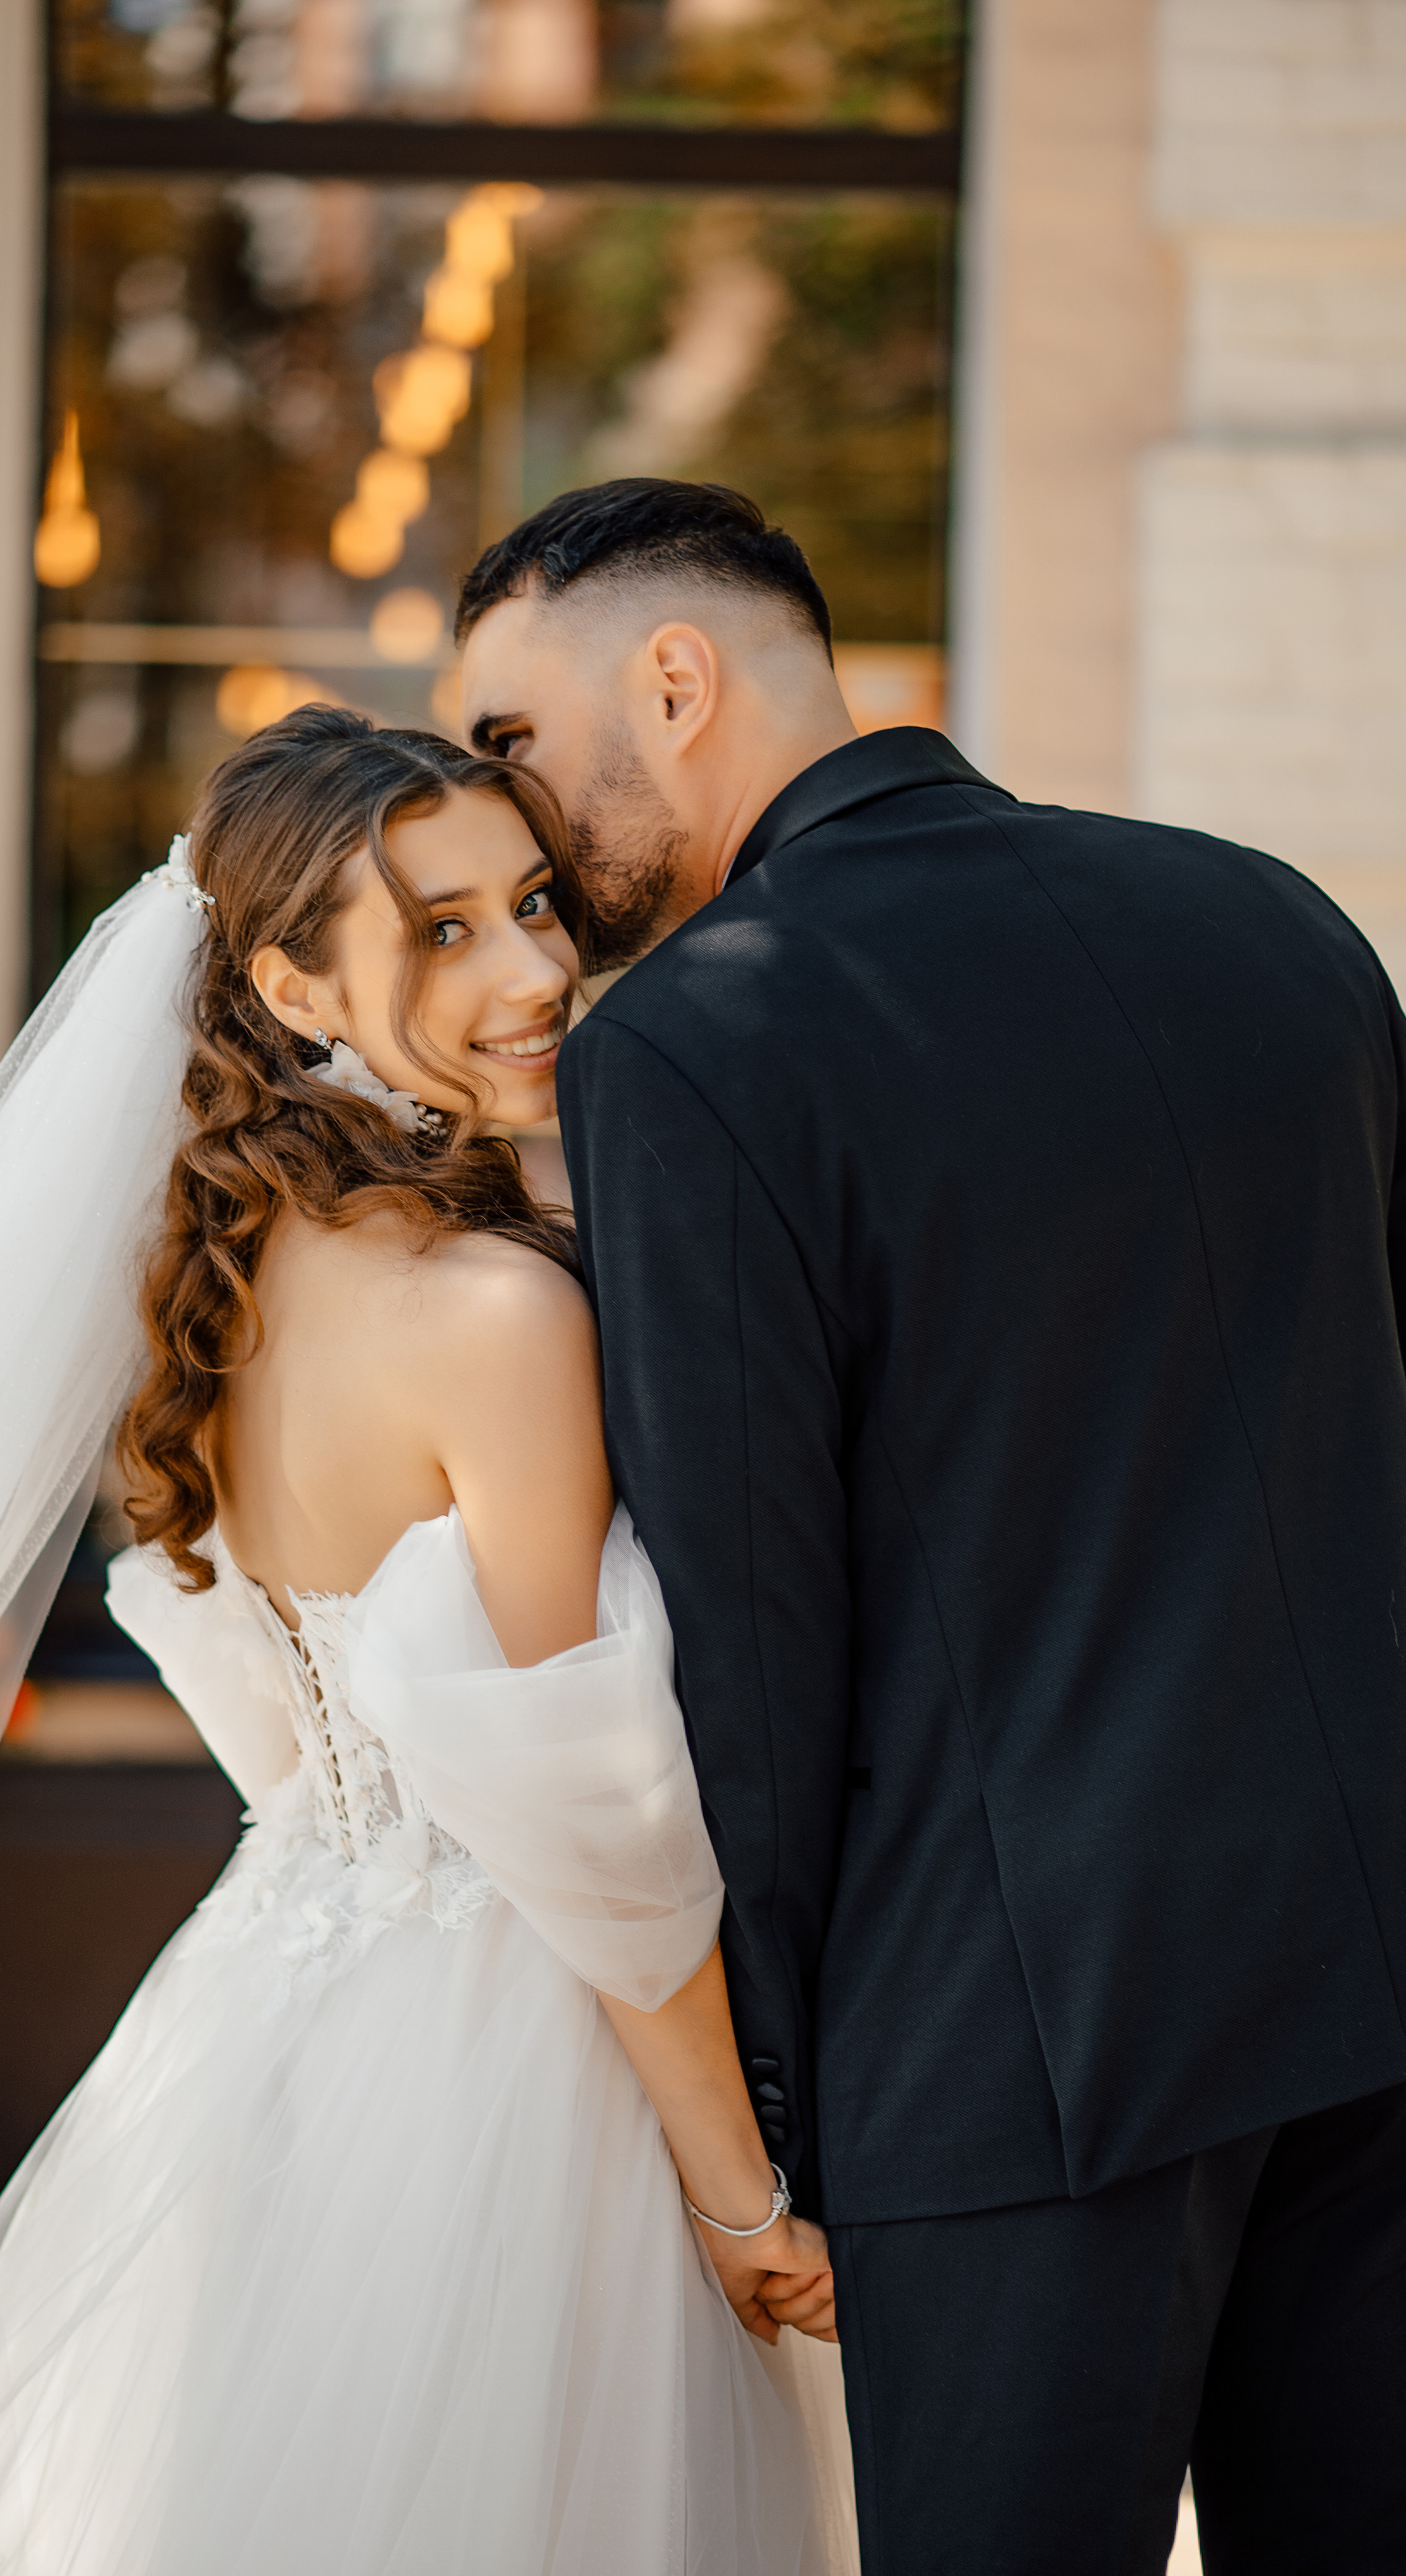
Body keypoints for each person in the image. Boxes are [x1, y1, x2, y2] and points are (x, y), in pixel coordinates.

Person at [0, 707, 858, 2576]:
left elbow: (285, 1715)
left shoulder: (209, 1289)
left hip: (268, 2010)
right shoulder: (494, 1313)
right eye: (446, 931)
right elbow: (592, 1822)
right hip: (527, 2065)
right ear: (291, 979)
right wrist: (738, 2192)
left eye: (536, 905)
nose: (543, 968)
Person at [455, 476, 1406, 2573]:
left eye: (512, 740)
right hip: (1371, 1980)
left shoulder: (696, 1047)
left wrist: (771, 2118)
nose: (502, 814)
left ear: (677, 682)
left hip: (1010, 2055)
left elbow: (757, 1641)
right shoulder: (1285, 924)